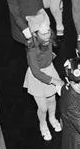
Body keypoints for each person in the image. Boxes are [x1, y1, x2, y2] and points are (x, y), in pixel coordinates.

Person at [24, 13, 64, 141]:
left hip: (49, 70)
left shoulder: (48, 41)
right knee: (42, 107)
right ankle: (43, 123)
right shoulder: (32, 50)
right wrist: (54, 80)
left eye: (48, 32)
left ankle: (52, 118)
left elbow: (49, 54)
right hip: (38, 77)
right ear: (35, 34)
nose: (47, 36)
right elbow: (36, 72)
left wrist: (50, 58)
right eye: (43, 33)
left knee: (52, 100)